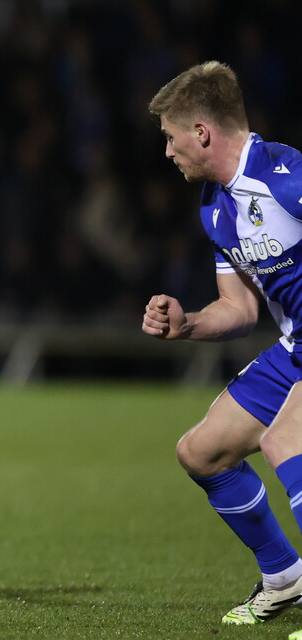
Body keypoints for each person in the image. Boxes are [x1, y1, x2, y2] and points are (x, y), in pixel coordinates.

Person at [142, 60, 302, 631]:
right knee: (201, 452)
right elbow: (238, 309)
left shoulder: (286, 175)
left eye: (170, 137)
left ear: (202, 132)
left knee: (284, 440)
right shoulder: (215, 206)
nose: (167, 151)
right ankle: (284, 576)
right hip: (294, 348)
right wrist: (185, 325)